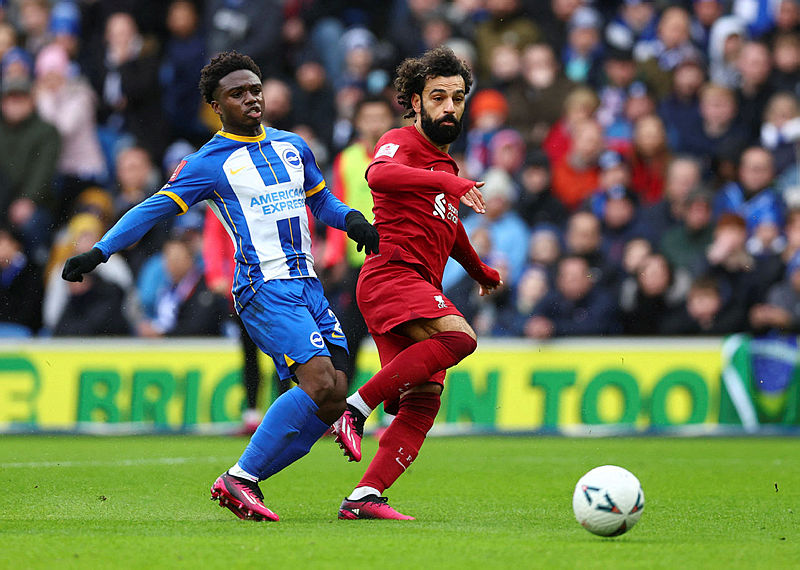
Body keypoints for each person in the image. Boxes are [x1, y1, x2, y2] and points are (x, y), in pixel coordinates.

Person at [61, 51, 379, 522]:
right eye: (237, 94)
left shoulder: (294, 146)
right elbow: (152, 209)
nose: (251, 99)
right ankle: (241, 477)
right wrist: (100, 251)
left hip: (308, 284)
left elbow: (323, 202)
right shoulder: (208, 163)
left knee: (334, 393)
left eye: (255, 89)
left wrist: (354, 220)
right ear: (216, 105)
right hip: (263, 287)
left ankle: (243, 481)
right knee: (316, 381)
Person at [331, 46, 501, 520]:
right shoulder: (400, 143)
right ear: (415, 102)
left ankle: (364, 496)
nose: (451, 107)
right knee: (460, 337)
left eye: (459, 98)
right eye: (439, 97)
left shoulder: (445, 169)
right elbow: (378, 174)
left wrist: (479, 270)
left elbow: (450, 226)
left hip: (416, 284)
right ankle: (355, 407)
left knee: (423, 399)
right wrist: (449, 185)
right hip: (391, 275)